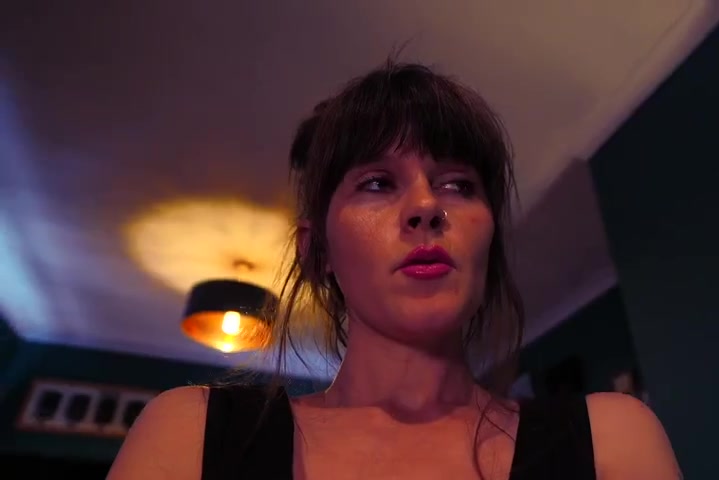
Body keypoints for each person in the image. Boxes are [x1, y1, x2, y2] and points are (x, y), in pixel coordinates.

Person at [107, 60, 681, 480]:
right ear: (316, 251)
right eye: (378, 183)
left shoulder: (611, 442)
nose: (427, 206)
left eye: (459, 185)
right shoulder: (191, 436)